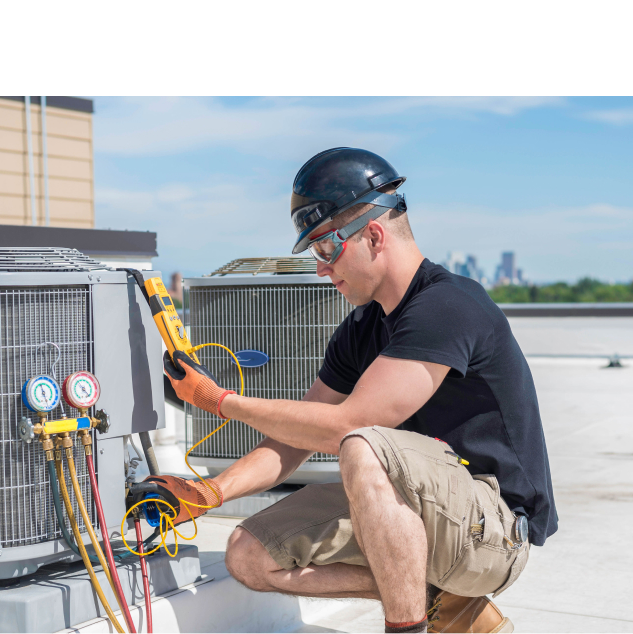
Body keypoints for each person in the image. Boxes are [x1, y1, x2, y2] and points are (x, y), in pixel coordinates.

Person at [132, 148, 555, 633]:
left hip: (494, 531)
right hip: (426, 517)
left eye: (325, 248)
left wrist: (220, 401)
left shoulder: (448, 306)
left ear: (373, 235)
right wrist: (209, 491)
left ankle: (410, 626)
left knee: (361, 444)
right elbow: (296, 437)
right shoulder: (361, 328)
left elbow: (347, 427)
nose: (320, 269)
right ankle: (447, 602)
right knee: (250, 555)